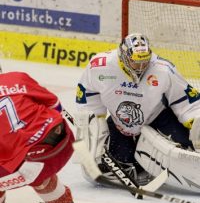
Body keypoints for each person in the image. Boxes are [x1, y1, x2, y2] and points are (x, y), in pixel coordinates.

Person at [75, 33, 200, 192]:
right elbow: (88, 97)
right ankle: (137, 160)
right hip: (120, 123)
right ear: (124, 56)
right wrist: (94, 129)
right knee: (118, 166)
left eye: (144, 62)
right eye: (136, 62)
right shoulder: (99, 66)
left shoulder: (163, 70)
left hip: (157, 118)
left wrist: (196, 121)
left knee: (186, 150)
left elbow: (186, 100)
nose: (141, 67)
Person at [0, 71, 75, 203]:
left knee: (18, 158)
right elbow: (55, 105)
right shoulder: (16, 77)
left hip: (26, 166)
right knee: (30, 154)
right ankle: (60, 202)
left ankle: (60, 202)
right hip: (62, 142)